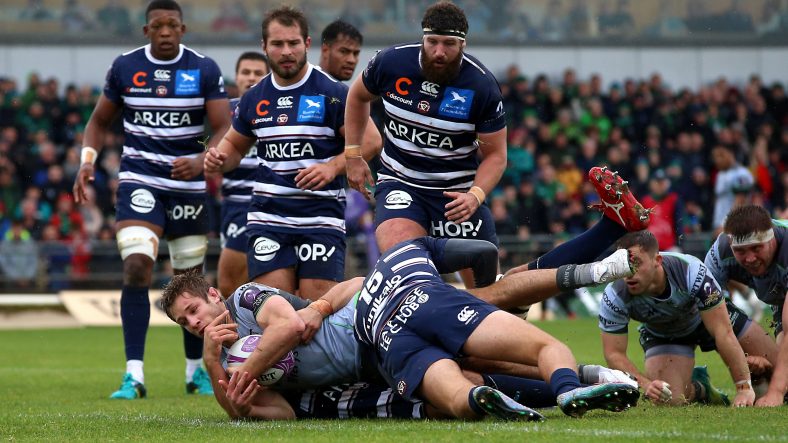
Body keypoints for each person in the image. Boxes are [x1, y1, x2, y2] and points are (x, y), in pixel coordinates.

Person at [162, 239, 638, 420]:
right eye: (183, 322)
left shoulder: (245, 299)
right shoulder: (224, 359)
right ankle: (578, 380)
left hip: (374, 309)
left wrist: (242, 375)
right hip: (375, 356)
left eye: (191, 310)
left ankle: (589, 271)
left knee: (485, 297)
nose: (193, 322)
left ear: (209, 295)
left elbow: (289, 328)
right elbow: (258, 412)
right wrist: (211, 364)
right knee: (473, 365)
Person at [72, 0, 231, 399]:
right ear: (146, 31)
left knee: (189, 282)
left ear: (183, 29)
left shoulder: (204, 68)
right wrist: (86, 161)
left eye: (171, 25)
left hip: (187, 187)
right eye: (157, 26)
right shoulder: (125, 67)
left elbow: (226, 127)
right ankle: (134, 374)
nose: (164, 32)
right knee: (137, 267)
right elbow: (97, 122)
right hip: (140, 180)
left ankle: (195, 371)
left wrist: (201, 160)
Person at [204, 6, 381, 301]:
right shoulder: (254, 98)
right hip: (268, 220)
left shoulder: (333, 92)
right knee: (277, 314)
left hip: (320, 220)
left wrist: (332, 167)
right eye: (277, 44)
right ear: (264, 47)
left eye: (293, 43)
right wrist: (218, 158)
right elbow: (234, 147)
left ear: (307, 44)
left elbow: (373, 141)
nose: (286, 51)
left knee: (314, 315)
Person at [342, 1, 508, 289]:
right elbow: (357, 97)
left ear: (463, 44)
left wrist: (475, 195)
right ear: (423, 38)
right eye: (432, 42)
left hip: (456, 195)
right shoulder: (391, 62)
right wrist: (353, 155)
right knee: (404, 267)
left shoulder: (482, 86)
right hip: (400, 184)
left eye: (449, 44)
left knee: (488, 293)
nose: (439, 52)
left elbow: (496, 156)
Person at [599, 230, 775, 407]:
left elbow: (723, 331)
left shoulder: (690, 270)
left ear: (657, 261)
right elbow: (614, 354)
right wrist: (646, 385)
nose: (629, 272)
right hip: (664, 333)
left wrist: (743, 387)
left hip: (707, 318)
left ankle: (757, 377)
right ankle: (702, 388)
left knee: (781, 371)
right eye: (622, 265)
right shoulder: (614, 295)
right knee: (669, 399)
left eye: (636, 263)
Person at [705, 204, 788, 406]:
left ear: (771, 239)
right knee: (715, 311)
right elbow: (709, 313)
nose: (750, 258)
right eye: (740, 251)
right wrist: (743, 359)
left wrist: (776, 393)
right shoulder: (721, 250)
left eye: (756, 248)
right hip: (779, 298)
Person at [217, 52, 269, 299]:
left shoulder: (280, 108)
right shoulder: (223, 113)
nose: (251, 78)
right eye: (245, 72)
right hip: (236, 206)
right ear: (236, 78)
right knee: (229, 284)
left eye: (258, 73)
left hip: (273, 204)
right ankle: (237, 336)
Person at [711, 144, 754, 235]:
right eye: (715, 157)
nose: (717, 160)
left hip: (735, 226)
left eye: (721, 155)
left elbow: (740, 201)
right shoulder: (720, 174)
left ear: (731, 154)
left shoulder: (741, 173)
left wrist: (725, 224)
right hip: (720, 225)